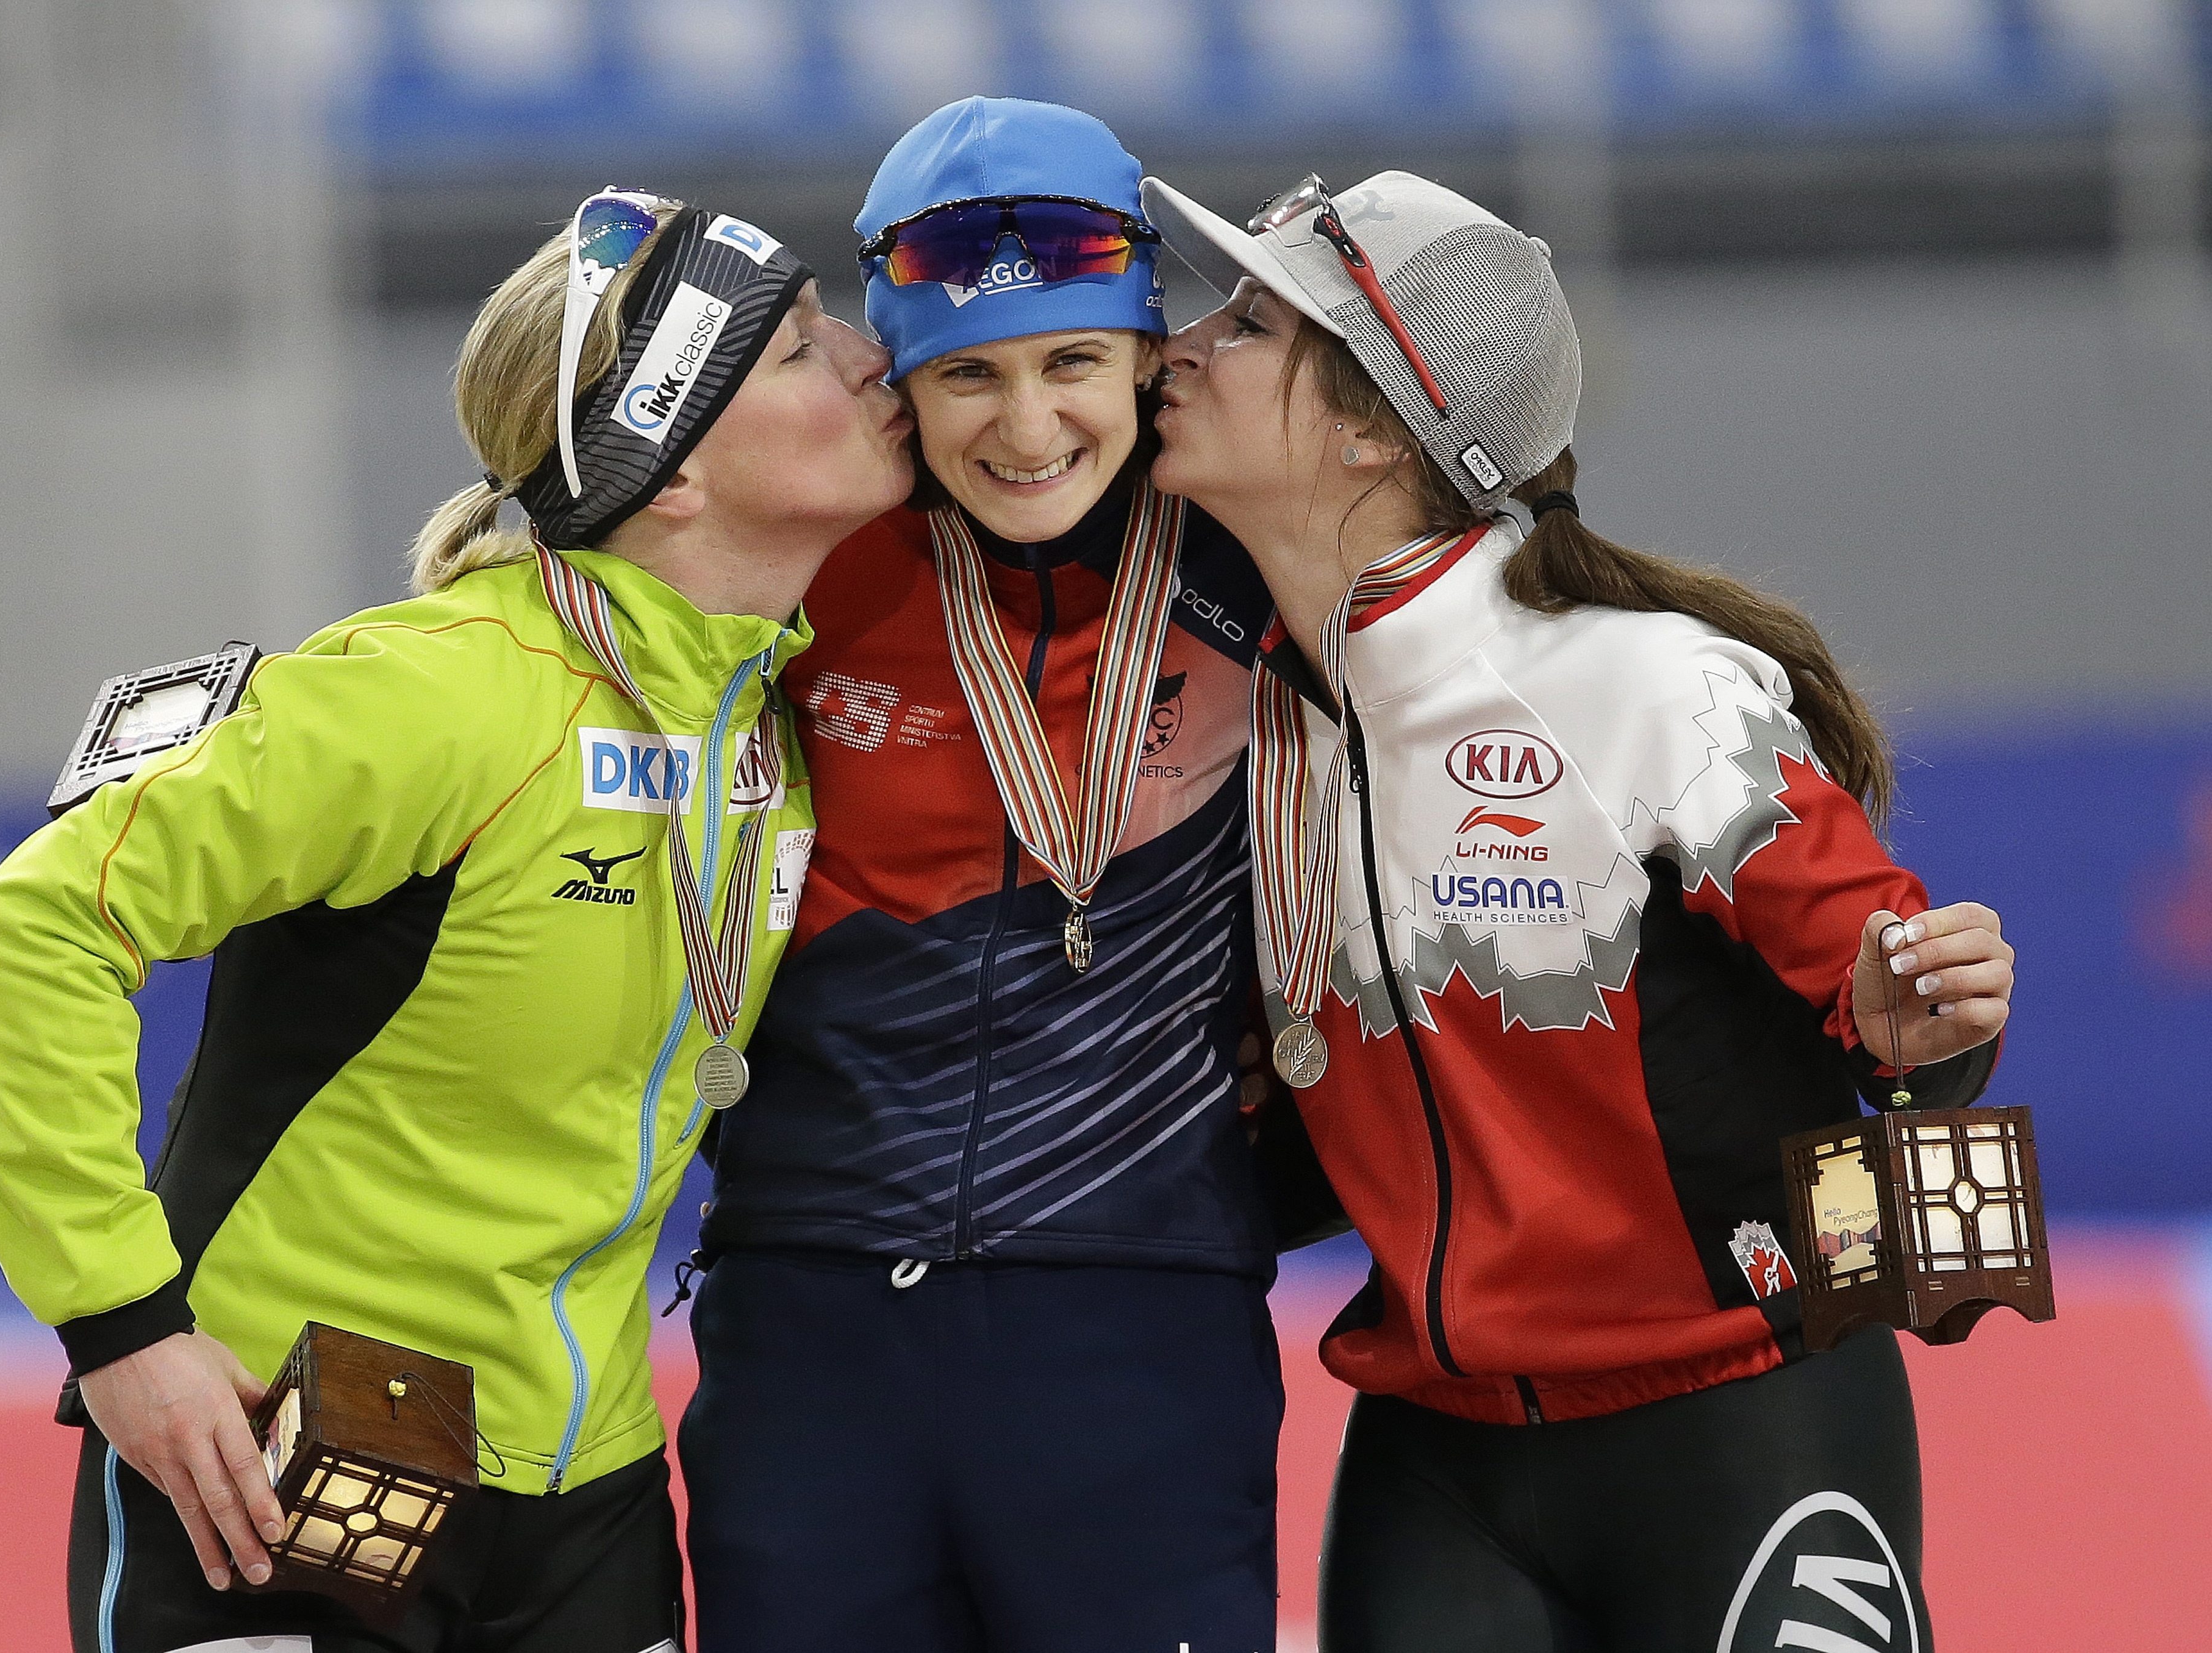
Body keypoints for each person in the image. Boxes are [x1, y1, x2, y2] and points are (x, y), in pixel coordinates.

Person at [0, 188, 912, 1653]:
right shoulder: (438, 691)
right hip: (283, 1460)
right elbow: (40, 924)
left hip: (581, 1486)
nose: (866, 358)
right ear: (669, 471)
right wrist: (124, 1333)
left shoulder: (761, 739)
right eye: (793, 350)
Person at [1139, 168, 2016, 1651]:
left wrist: (1920, 1026)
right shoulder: (1250, 714)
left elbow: (1902, 1018)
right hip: (1442, 1455)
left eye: (1246, 322)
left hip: (1748, 1425)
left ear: (1369, 426)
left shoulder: (1641, 682)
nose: (1181, 342)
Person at [676, 99, 1287, 1652]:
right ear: (896, 383)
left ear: (1148, 355)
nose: (1026, 430)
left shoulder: (1259, 548)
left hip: (1141, 1307)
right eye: (968, 375)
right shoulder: (809, 557)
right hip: (810, 1312)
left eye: (1070, 362)